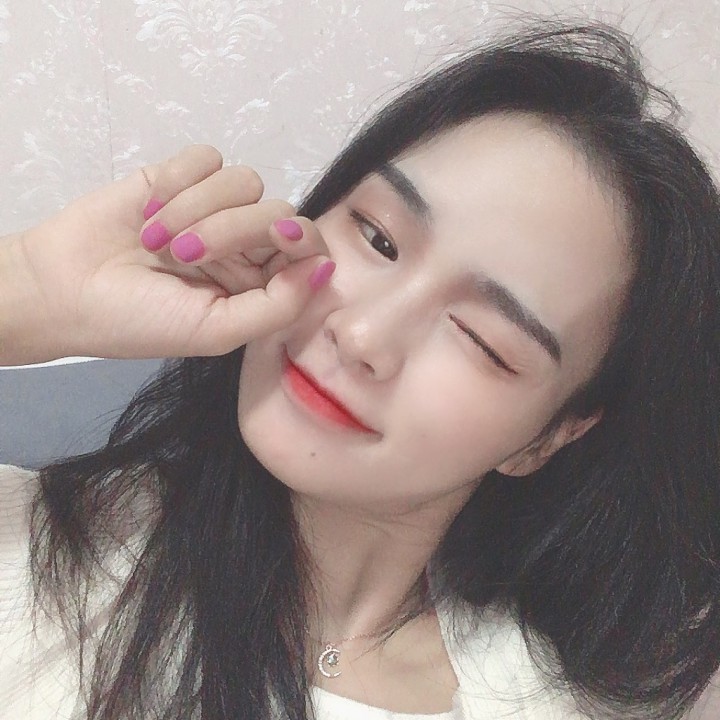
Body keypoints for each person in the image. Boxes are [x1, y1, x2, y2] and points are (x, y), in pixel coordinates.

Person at [1, 20, 719, 720]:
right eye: (377, 238)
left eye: (482, 339)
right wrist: (29, 290)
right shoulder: (30, 557)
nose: (362, 335)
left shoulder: (575, 700)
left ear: (549, 436)